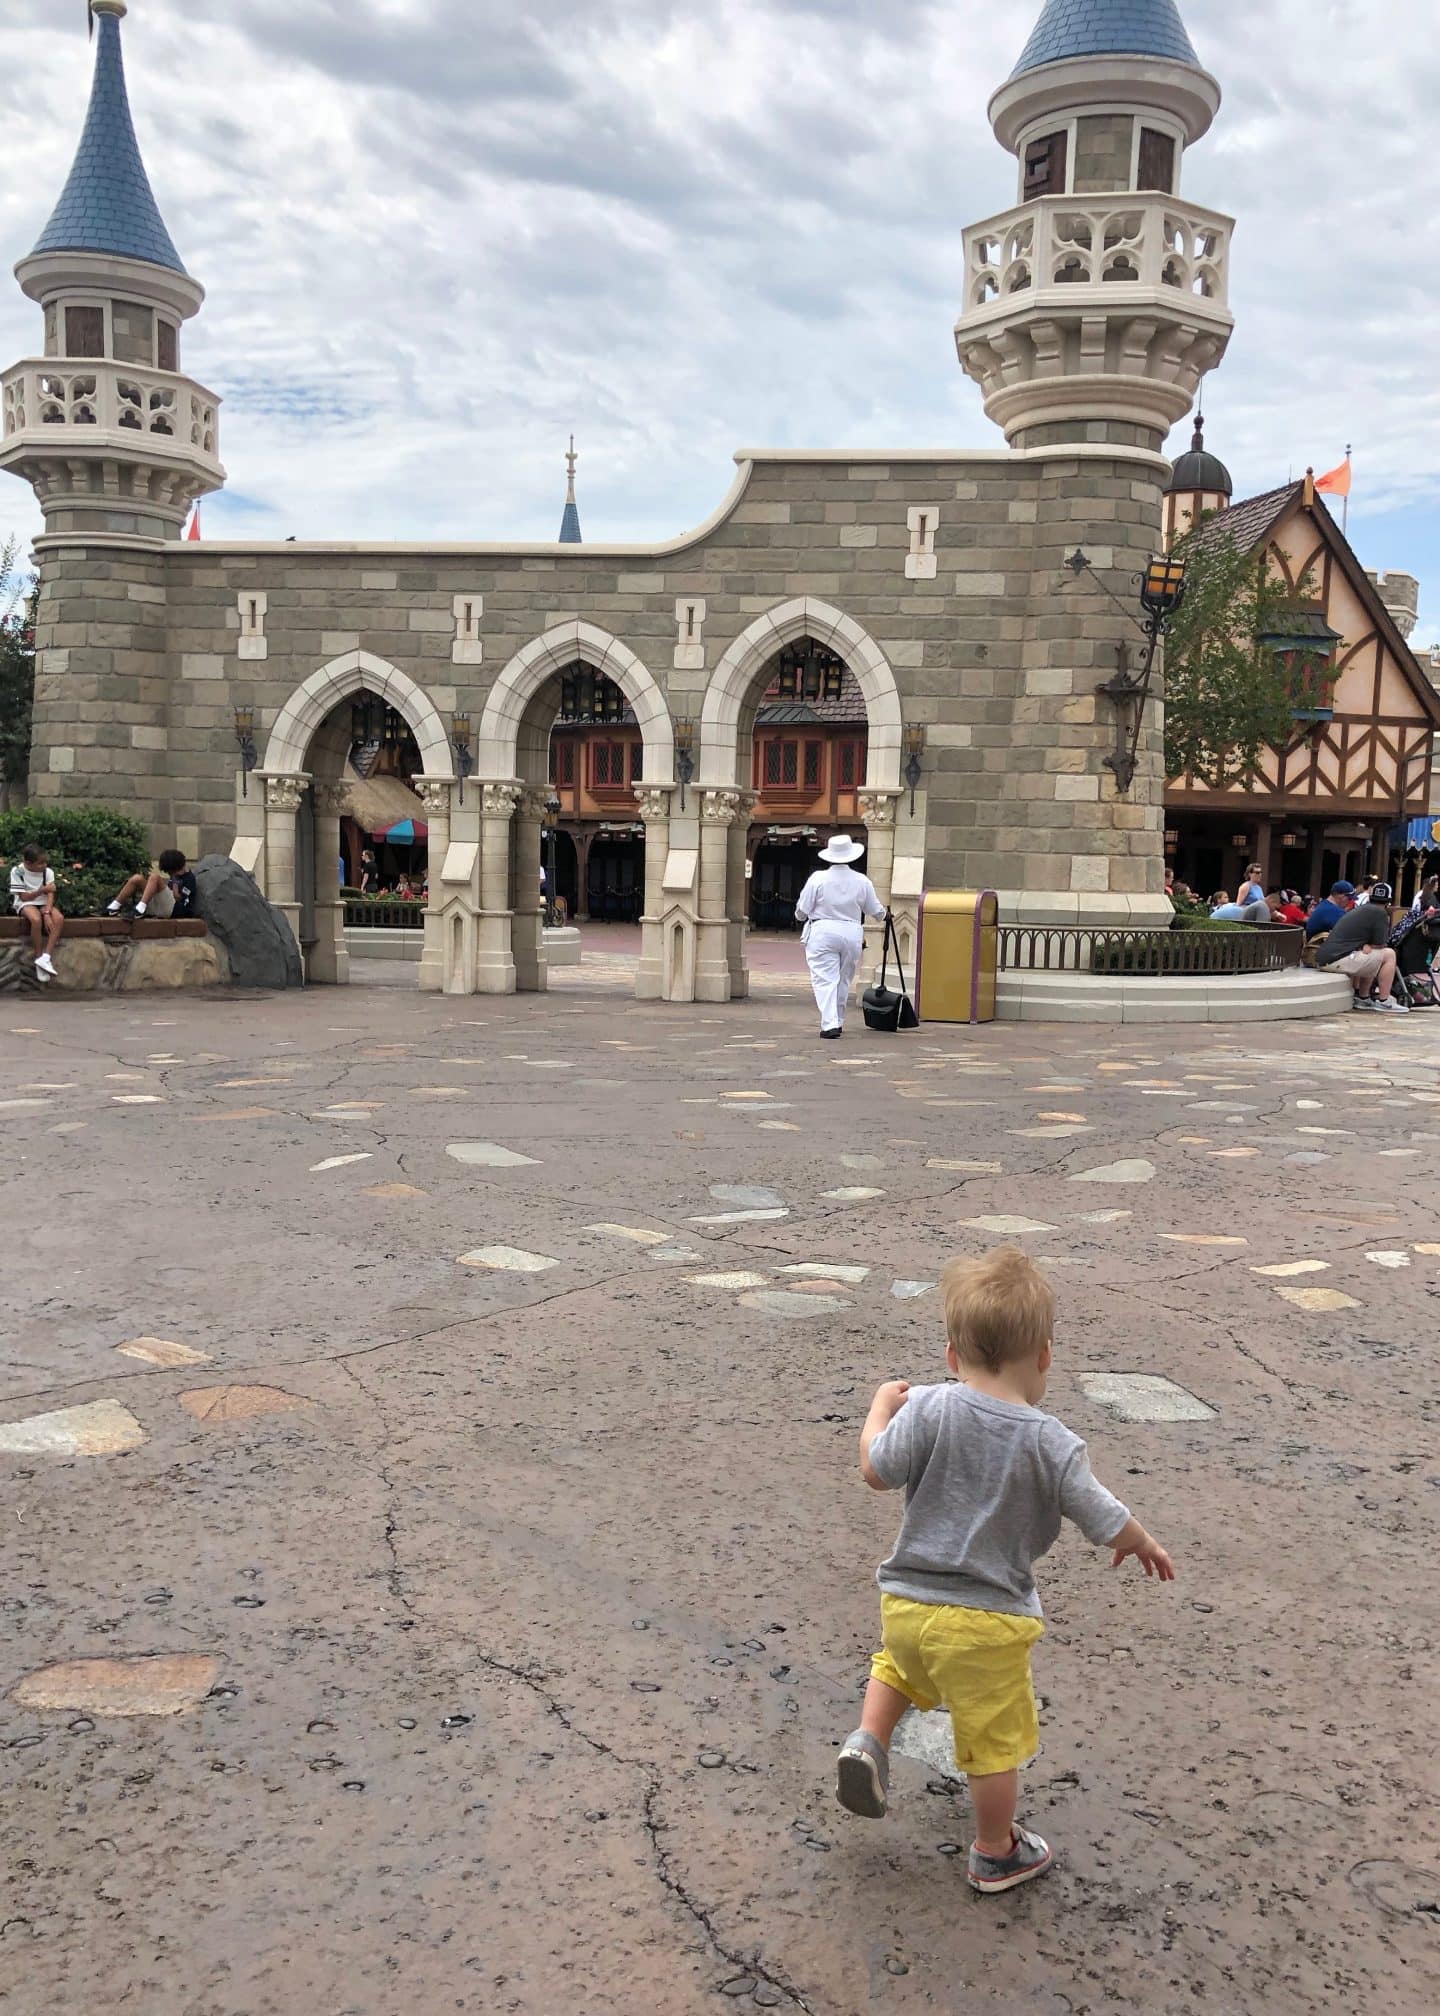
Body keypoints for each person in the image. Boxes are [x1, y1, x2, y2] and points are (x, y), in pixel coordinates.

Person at [835, 1246, 1174, 1895]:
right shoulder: (1052, 1442)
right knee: (994, 1742)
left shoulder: (928, 1406)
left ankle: (867, 1741)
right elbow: (1099, 1510)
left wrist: (880, 1410)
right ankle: (996, 1850)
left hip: (907, 1603)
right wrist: (1139, 1541)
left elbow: (876, 1470)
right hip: (986, 1623)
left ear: (953, 1357)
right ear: (1044, 1356)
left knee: (895, 1669)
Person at [794, 835, 885, 1038]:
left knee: (825, 979)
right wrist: (885, 916)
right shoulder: (862, 880)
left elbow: (803, 909)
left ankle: (830, 1024)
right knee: (844, 979)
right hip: (852, 931)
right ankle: (838, 1019)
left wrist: (799, 916)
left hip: (823, 930)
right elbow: (875, 909)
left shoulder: (817, 878)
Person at [1314, 882, 1406, 1012]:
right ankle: (1385, 1001)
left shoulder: (1360, 909)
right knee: (1389, 954)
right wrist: (1369, 945)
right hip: (1335, 960)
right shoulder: (1380, 913)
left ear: (1370, 897)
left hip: (1327, 958)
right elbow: (1380, 944)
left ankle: (1363, 998)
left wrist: (1367, 945)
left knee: (1372, 954)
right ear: (1389, 901)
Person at [9, 842, 64, 982]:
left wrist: (47, 913)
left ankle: (46, 958)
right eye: (40, 863)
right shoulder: (17, 871)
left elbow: (50, 893)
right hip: (25, 902)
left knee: (58, 918)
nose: (44, 865)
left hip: (43, 902)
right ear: (28, 863)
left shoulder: (48, 872)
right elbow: (23, 896)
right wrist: (41, 891)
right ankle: (38, 957)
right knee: (35, 920)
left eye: (45, 862)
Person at [108, 848, 196, 920]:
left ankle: (140, 909)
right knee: (137, 878)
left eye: (172, 872)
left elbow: (179, 899)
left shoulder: (189, 878)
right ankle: (114, 907)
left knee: (155, 877)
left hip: (176, 911)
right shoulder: (174, 877)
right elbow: (164, 895)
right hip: (159, 908)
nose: (170, 874)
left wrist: (175, 887)